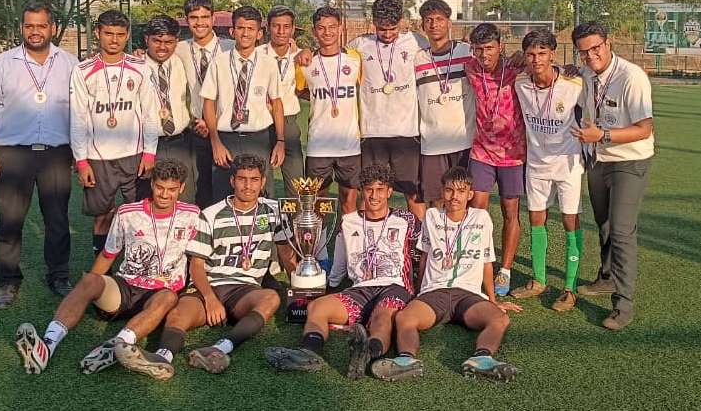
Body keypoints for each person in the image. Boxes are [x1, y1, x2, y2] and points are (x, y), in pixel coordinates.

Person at [114, 154, 293, 379]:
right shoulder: (210, 214)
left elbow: (286, 253)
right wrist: (210, 299)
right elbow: (197, 266)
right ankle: (162, 357)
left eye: (254, 179)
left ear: (263, 181)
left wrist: (304, 288)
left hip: (244, 289)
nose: (248, 186)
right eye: (242, 179)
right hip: (208, 284)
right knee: (178, 314)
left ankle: (219, 348)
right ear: (232, 181)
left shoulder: (275, 211)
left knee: (270, 299)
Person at [13, 159, 200, 375]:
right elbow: (107, 254)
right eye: (160, 187)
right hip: (126, 288)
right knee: (90, 280)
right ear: (152, 184)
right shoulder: (128, 213)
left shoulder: (193, 215)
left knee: (168, 297)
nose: (165, 194)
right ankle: (47, 344)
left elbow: (198, 259)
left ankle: (115, 347)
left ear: (182, 188)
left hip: (160, 296)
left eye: (172, 189)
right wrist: (89, 289)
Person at [265, 163, 421, 380]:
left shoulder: (406, 220)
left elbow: (419, 256)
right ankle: (308, 352)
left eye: (380, 189)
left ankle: (367, 352)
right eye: (369, 189)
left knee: (382, 316)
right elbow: (339, 264)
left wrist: (419, 290)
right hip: (359, 290)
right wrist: (326, 286)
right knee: (317, 307)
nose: (374, 195)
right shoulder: (348, 221)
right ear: (362, 191)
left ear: (389, 192)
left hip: (394, 286)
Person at [371, 167, 522, 382]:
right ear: (442, 192)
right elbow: (424, 256)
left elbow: (486, 262)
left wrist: (492, 300)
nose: (454, 196)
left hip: (468, 294)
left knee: (500, 318)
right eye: (449, 190)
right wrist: (417, 291)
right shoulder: (432, 216)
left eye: (461, 191)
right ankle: (406, 361)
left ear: (470, 194)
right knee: (405, 317)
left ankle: (482, 359)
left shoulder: (482, 218)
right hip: (435, 292)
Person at [0, 1, 78, 308]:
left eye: (41, 25)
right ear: (22, 28)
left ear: (52, 28)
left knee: (57, 220)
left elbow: (81, 111)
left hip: (57, 155)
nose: (35, 31)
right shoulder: (3, 63)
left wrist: (80, 152)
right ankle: (8, 281)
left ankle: (59, 277)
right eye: (29, 25)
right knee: (10, 221)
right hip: (14, 155)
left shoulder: (70, 63)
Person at [571, 21, 654, 330]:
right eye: (583, 52)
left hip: (630, 161)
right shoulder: (586, 74)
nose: (591, 56)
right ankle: (606, 277)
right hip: (598, 159)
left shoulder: (632, 76)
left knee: (621, 231)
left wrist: (602, 135)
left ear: (608, 43)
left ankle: (623, 304)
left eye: (596, 48)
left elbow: (645, 129)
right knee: (604, 224)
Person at [70, 9, 159, 262]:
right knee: (103, 215)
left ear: (127, 35)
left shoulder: (140, 67)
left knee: (141, 214)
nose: (114, 39)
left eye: (120, 34)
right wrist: (81, 161)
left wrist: (150, 153)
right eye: (108, 33)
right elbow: (78, 118)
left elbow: (150, 113)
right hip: (99, 158)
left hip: (135, 155)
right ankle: (103, 271)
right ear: (98, 33)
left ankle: (139, 267)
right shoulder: (82, 70)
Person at [510, 30, 585, 311]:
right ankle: (539, 280)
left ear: (553, 54)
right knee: (536, 219)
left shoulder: (573, 82)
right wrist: (513, 57)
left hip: (568, 164)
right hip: (536, 164)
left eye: (542, 53)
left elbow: (595, 79)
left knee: (570, 222)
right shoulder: (520, 82)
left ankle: (570, 288)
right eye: (531, 54)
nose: (536, 59)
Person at [348, 0, 428, 220]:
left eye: (393, 28)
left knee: (414, 194)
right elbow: (333, 57)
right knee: (370, 193)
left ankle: (420, 240)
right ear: (373, 22)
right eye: (382, 28)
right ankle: (366, 238)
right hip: (372, 133)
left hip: (406, 133)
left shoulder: (417, 42)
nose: (388, 34)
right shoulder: (359, 45)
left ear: (401, 21)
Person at [465, 23, 527, 296]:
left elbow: (543, 65)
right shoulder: (470, 67)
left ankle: (505, 270)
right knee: (476, 211)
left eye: (489, 48)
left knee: (509, 212)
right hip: (481, 152)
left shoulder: (516, 68)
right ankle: (476, 265)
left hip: (513, 155)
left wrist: (569, 69)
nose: (484, 54)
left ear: (500, 46)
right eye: (479, 49)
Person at [201, 5, 285, 202]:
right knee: (223, 196)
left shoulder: (268, 63)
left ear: (259, 33)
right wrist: (215, 142)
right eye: (240, 28)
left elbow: (277, 103)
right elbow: (208, 103)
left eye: (250, 29)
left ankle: (263, 225)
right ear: (232, 31)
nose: (245, 33)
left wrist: (280, 141)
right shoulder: (218, 62)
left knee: (261, 197)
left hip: (259, 138)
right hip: (226, 139)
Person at [293, 6, 361, 216]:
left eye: (332, 27)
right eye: (321, 28)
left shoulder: (356, 59)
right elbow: (299, 90)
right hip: (318, 145)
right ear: (314, 31)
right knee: (317, 202)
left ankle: (346, 238)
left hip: (350, 145)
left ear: (340, 28)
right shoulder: (305, 63)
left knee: (348, 203)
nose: (327, 32)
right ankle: (319, 239)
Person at [174, 0, 235, 209]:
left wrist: (302, 50)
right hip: (196, 130)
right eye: (194, 17)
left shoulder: (231, 47)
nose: (200, 23)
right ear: (186, 19)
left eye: (204, 17)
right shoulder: (179, 49)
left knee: (225, 189)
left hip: (225, 128)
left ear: (213, 18)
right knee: (199, 189)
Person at [414, 0, 476, 209]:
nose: (434, 24)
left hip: (465, 140)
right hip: (433, 142)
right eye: (429, 20)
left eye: (439, 19)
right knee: (438, 200)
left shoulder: (468, 52)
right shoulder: (418, 58)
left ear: (450, 23)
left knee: (466, 199)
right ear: (422, 25)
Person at [140, 15, 196, 203]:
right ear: (146, 39)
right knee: (150, 197)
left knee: (184, 197)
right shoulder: (136, 67)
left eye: (169, 42)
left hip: (180, 142)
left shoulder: (181, 61)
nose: (162, 47)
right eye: (157, 41)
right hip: (148, 144)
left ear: (176, 42)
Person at [258, 5, 305, 198]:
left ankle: (297, 217)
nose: (281, 31)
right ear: (268, 27)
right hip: (261, 122)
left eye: (286, 26)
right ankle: (265, 216)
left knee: (296, 183)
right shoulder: (257, 54)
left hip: (288, 122)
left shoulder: (301, 56)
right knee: (262, 181)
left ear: (293, 29)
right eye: (276, 26)